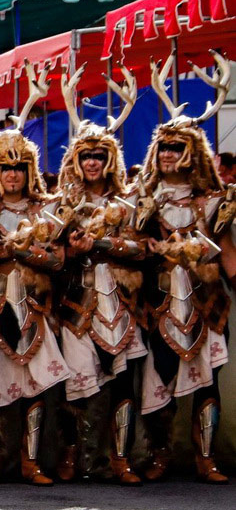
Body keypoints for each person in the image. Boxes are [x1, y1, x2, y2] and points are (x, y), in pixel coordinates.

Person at [132, 93, 234, 484]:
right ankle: (160, 456)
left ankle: (206, 458)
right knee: (160, 375)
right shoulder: (144, 200)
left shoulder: (212, 202)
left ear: (193, 153)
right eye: (163, 147)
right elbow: (131, 247)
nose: (168, 155)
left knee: (209, 380)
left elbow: (227, 252)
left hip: (206, 302)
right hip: (160, 302)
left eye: (176, 148)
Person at [0, 130, 70, 485]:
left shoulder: (46, 209)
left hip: (34, 305)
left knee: (34, 385)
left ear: (29, 171)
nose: (13, 175)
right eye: (6, 168)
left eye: (20, 168)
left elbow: (58, 259)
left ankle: (30, 462)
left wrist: (22, 251)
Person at [56, 117, 147, 485]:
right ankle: (73, 455)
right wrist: (71, 249)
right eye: (86, 156)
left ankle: (120, 459)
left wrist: (102, 243)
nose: (92, 162)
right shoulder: (62, 201)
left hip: (120, 301)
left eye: (98, 156)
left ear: (110, 160)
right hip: (75, 302)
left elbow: (142, 249)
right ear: (76, 160)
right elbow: (50, 250)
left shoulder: (128, 201)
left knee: (122, 384)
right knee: (75, 384)